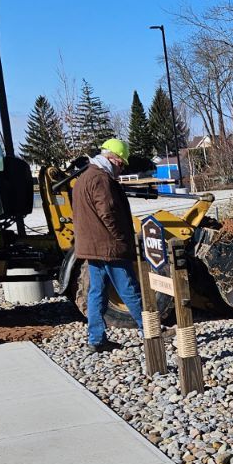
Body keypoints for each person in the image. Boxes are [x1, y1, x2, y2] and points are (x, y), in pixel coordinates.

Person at [71, 138, 145, 353]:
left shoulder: (83, 178)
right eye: (121, 164)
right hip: (109, 246)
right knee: (129, 288)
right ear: (112, 159)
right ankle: (150, 330)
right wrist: (121, 238)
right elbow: (108, 213)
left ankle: (96, 339)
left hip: (92, 246)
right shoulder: (101, 180)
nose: (121, 169)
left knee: (97, 292)